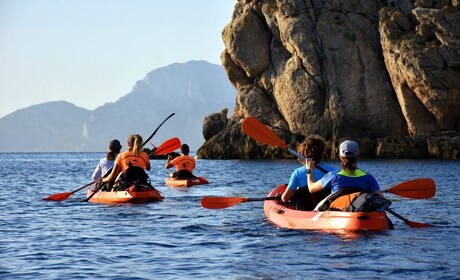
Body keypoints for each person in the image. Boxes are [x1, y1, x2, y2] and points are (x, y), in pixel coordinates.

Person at [305, 140, 384, 210]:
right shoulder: (369, 178)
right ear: (358, 156)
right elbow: (381, 199)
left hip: (338, 212)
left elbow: (311, 188)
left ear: (340, 157)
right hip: (359, 211)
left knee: (324, 201)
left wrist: (309, 170)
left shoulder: (333, 176)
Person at [280, 137, 335, 210]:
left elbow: (285, 198)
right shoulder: (332, 171)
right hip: (324, 210)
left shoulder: (298, 173)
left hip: (305, 210)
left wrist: (280, 196)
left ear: (303, 155)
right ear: (322, 154)